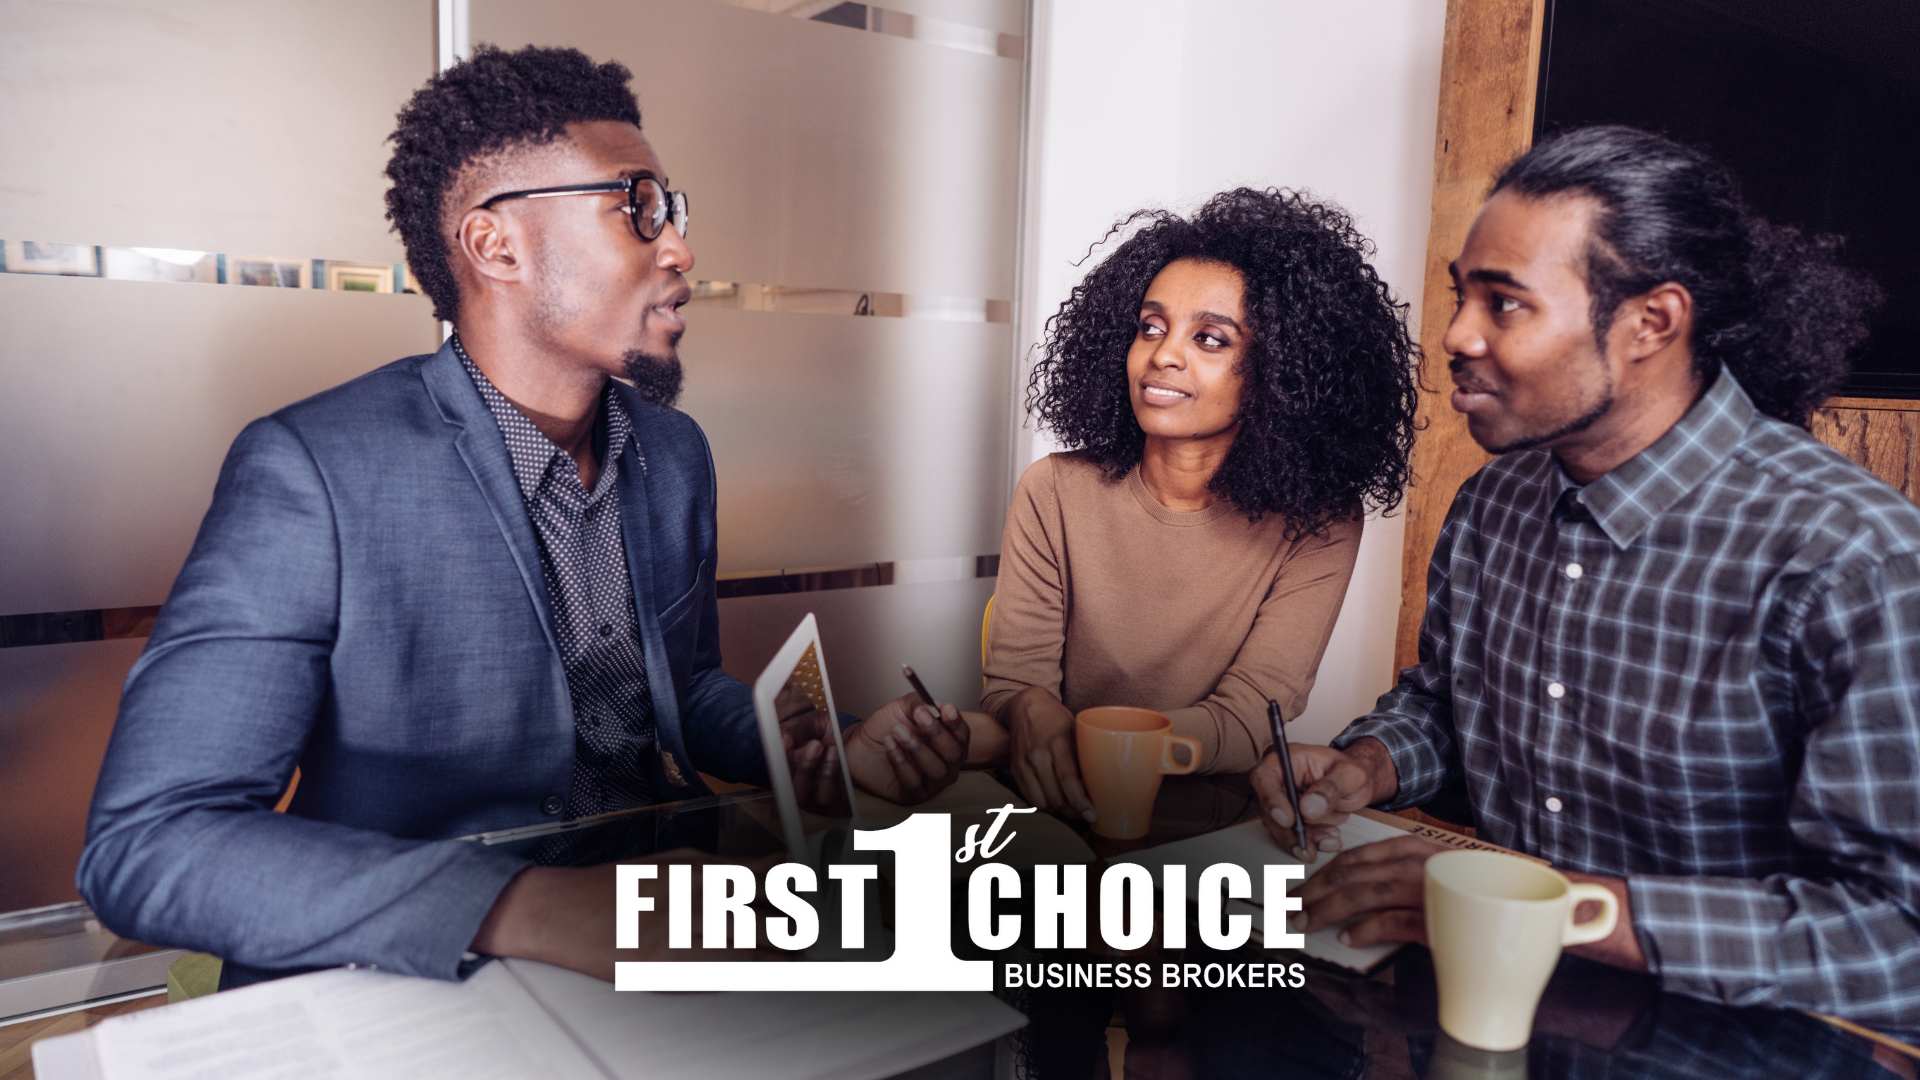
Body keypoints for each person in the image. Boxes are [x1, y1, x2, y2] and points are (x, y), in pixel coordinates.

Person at [77, 45, 970, 987]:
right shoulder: (314, 470)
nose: (680, 248)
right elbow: (150, 843)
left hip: (665, 925)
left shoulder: (673, 453)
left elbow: (681, 686)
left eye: (673, 209)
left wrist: (811, 747)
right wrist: (530, 908)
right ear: (495, 246)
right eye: (638, 206)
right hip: (416, 973)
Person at [1252, 126, 1919, 1032]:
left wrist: (1554, 910)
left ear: (1651, 322)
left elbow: (1896, 939)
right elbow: (1446, 707)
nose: (1455, 336)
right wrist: (1364, 767)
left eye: (1506, 304)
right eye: (1461, 297)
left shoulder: (1853, 557)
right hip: (1504, 1019)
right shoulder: (1493, 503)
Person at [980, 188, 1419, 819]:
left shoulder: (1316, 522)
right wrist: (1026, 708)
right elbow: (1015, 689)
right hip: (1052, 813)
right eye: (1150, 327)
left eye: (1210, 339)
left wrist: (1098, 744)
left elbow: (1248, 718)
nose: (1162, 354)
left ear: (1281, 370)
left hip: (1211, 834)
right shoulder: (1053, 489)